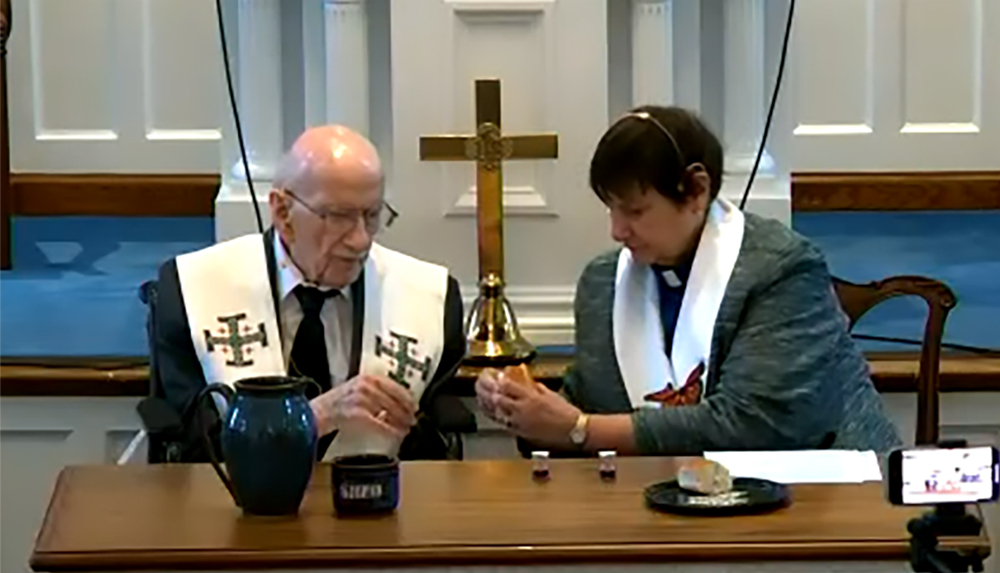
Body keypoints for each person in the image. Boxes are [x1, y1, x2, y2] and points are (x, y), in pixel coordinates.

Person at [475, 105, 902, 456]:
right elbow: (589, 409)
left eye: (635, 211)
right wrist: (526, 408)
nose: (617, 231)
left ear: (696, 191)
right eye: (611, 209)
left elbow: (757, 427)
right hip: (659, 502)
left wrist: (580, 429)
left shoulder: (782, 269)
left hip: (825, 501)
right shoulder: (602, 283)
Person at [152, 125, 467, 462]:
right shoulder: (192, 289)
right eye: (339, 217)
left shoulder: (430, 297)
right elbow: (197, 447)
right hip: (236, 504)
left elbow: (429, 448)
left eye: (372, 216)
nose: (361, 239)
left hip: (377, 501)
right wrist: (313, 417)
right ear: (283, 212)